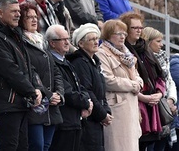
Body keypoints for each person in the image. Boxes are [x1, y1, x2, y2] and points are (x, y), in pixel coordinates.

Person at [0, 0, 43, 150]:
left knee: (22, 147)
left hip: (21, 102)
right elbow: (10, 70)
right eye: (13, 11)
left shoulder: (16, 35)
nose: (18, 14)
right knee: (8, 146)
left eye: (18, 11)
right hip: (7, 102)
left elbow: (29, 67)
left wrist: (38, 88)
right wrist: (31, 91)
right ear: (0, 13)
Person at [20, 3, 64, 151]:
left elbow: (56, 71)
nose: (33, 20)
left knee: (46, 146)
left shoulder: (42, 42)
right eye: (28, 17)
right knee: (37, 146)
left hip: (51, 107)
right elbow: (31, 72)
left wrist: (59, 94)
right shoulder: (22, 43)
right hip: (36, 103)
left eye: (35, 17)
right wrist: (48, 94)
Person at [96, 19, 143, 151]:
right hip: (117, 108)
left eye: (124, 34)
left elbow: (137, 76)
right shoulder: (102, 53)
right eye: (118, 33)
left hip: (131, 107)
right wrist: (133, 85)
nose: (123, 36)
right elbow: (108, 80)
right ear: (109, 34)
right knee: (118, 146)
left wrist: (138, 83)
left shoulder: (127, 54)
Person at [121, 12, 166, 149]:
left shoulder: (145, 48)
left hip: (152, 103)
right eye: (135, 28)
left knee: (148, 143)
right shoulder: (122, 50)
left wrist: (159, 93)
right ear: (126, 29)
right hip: (136, 102)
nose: (139, 30)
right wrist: (144, 98)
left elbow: (160, 75)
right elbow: (124, 80)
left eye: (140, 27)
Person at [67, 23, 113, 150]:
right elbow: (88, 90)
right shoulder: (80, 62)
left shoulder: (94, 62)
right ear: (81, 44)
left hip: (96, 118)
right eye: (91, 39)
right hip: (89, 119)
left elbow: (101, 91)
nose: (96, 42)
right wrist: (102, 114)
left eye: (96, 38)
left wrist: (106, 111)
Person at [46, 25, 92, 151]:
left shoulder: (66, 61)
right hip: (64, 122)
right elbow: (67, 92)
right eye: (63, 39)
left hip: (74, 121)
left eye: (68, 38)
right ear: (52, 43)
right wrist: (85, 102)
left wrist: (87, 100)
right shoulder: (52, 62)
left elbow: (79, 86)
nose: (67, 42)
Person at [142, 27, 178, 151]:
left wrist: (172, 100)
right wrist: (163, 99)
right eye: (158, 41)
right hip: (154, 105)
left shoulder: (163, 56)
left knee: (162, 145)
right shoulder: (144, 59)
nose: (161, 45)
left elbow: (170, 81)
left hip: (166, 106)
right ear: (148, 41)